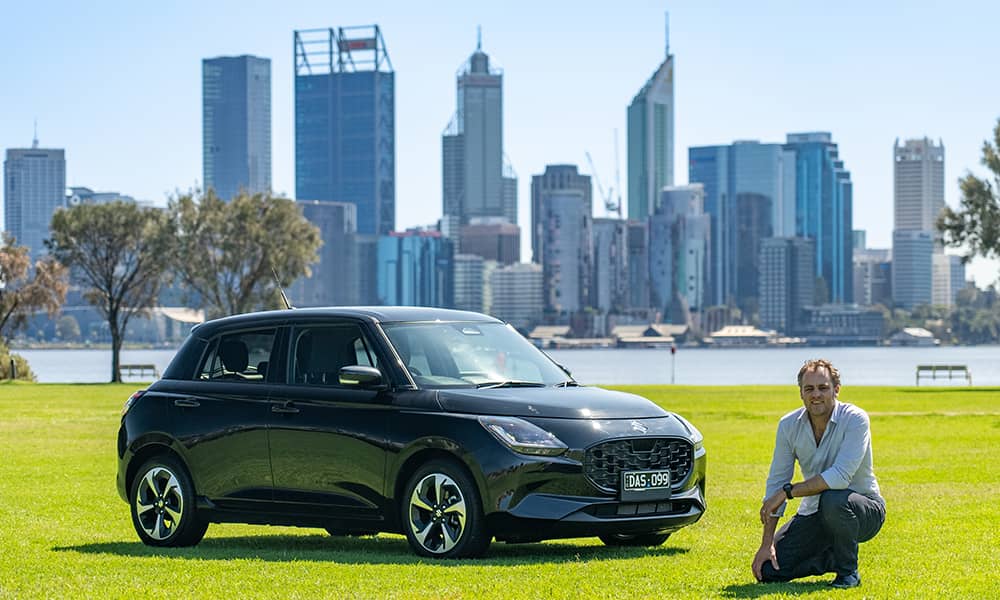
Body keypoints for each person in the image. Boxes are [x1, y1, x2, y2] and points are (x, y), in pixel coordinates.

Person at [751, 359, 886, 589]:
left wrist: (788, 493)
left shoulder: (855, 419)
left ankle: (848, 573)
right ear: (801, 393)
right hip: (814, 513)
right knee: (768, 570)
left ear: (836, 389)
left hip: (864, 510)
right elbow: (777, 482)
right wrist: (766, 544)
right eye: (809, 389)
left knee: (832, 498)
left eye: (823, 388)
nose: (816, 395)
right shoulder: (788, 425)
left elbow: (840, 477)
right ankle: (832, 558)